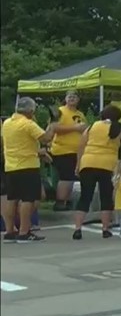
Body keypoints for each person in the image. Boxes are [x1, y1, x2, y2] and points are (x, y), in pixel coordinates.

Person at [70, 105, 121, 240]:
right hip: (106, 165)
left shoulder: (91, 127)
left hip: (88, 163)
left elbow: (81, 146)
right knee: (106, 197)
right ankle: (105, 229)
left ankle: (77, 229)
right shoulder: (118, 129)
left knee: (85, 197)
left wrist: (78, 164)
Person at [1, 97, 55, 243]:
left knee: (12, 199)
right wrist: (52, 126)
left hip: (11, 166)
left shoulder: (7, 123)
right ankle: (24, 231)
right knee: (28, 199)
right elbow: (46, 138)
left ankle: (10, 231)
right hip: (27, 166)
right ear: (30, 110)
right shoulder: (28, 124)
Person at [51, 90, 88, 211]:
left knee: (72, 177)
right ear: (65, 99)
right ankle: (60, 202)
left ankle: (67, 200)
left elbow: (83, 129)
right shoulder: (60, 111)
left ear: (78, 100)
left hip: (76, 150)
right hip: (62, 150)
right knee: (66, 177)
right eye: (69, 96)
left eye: (74, 96)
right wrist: (74, 128)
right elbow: (53, 127)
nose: (72, 98)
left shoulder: (80, 114)